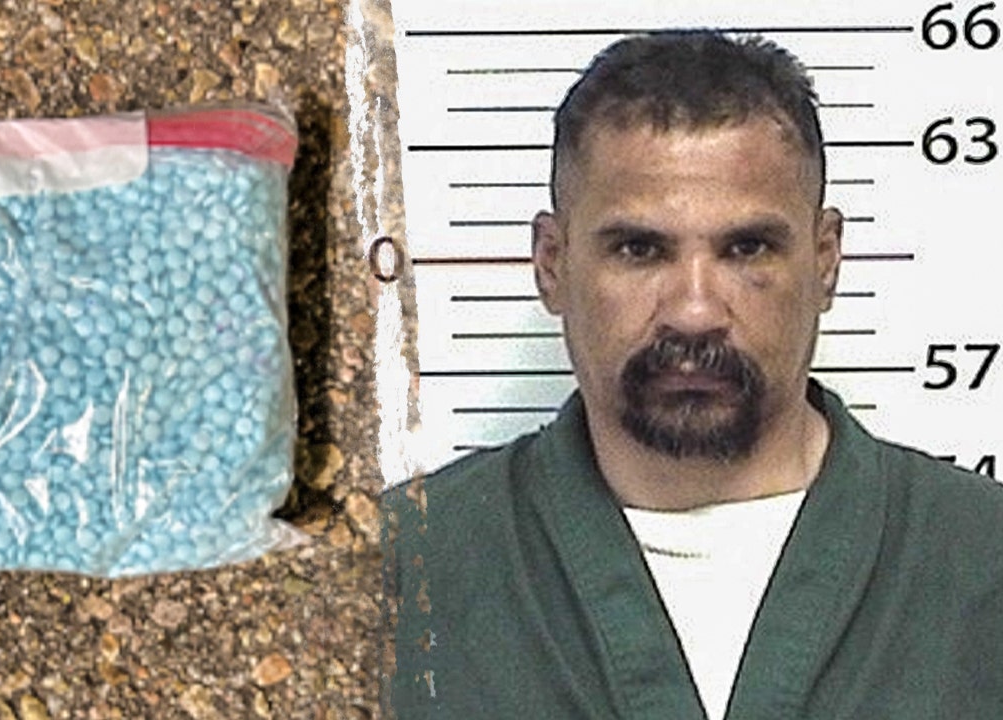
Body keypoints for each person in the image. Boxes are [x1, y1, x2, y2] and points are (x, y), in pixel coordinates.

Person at [382, 30, 1003, 719]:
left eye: (747, 248)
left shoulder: (982, 562)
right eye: (639, 249)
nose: (695, 310)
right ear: (552, 263)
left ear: (826, 260)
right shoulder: (393, 576)